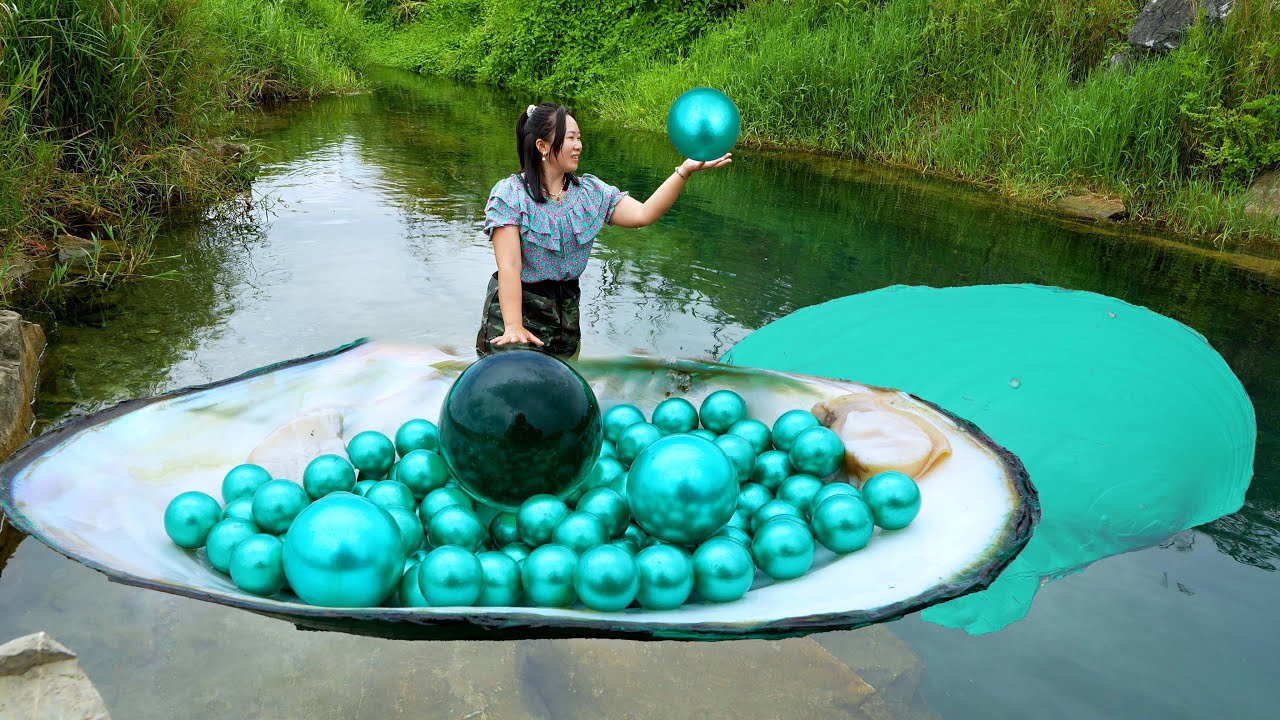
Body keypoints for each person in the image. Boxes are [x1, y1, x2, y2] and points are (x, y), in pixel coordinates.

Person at [475, 102, 732, 359]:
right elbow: (510, 266)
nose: (578, 145)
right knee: (511, 380)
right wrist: (513, 326)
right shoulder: (511, 194)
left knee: (566, 381)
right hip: (516, 313)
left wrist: (684, 171)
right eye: (570, 138)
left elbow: (643, 214)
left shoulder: (590, 193)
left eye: (579, 138)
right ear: (542, 146)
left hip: (566, 315)